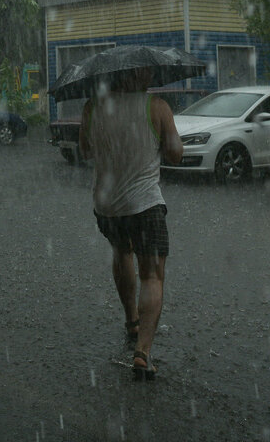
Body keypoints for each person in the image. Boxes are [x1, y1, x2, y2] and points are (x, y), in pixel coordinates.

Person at [78, 67, 183, 381]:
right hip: (145, 204)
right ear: (138, 78)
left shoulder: (92, 107)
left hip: (108, 205)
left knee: (121, 253)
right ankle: (143, 351)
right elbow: (176, 154)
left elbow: (84, 151)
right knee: (152, 274)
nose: (151, 79)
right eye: (146, 75)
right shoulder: (157, 108)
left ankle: (131, 321)